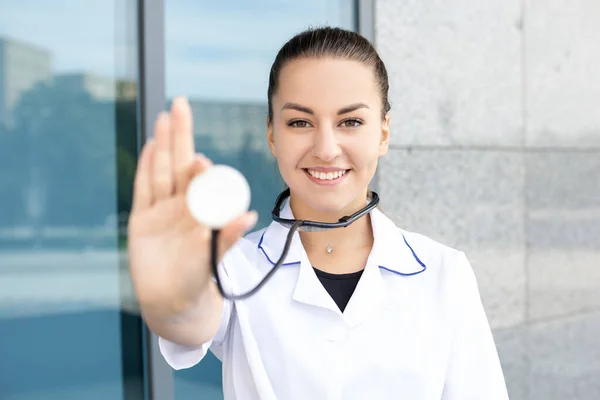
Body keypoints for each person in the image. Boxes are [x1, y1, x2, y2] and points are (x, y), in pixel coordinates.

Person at [128, 27, 509, 399]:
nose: (326, 148)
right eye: (300, 122)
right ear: (272, 134)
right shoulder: (234, 266)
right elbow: (189, 320)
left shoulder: (444, 273)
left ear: (383, 134)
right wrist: (173, 302)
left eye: (351, 122)